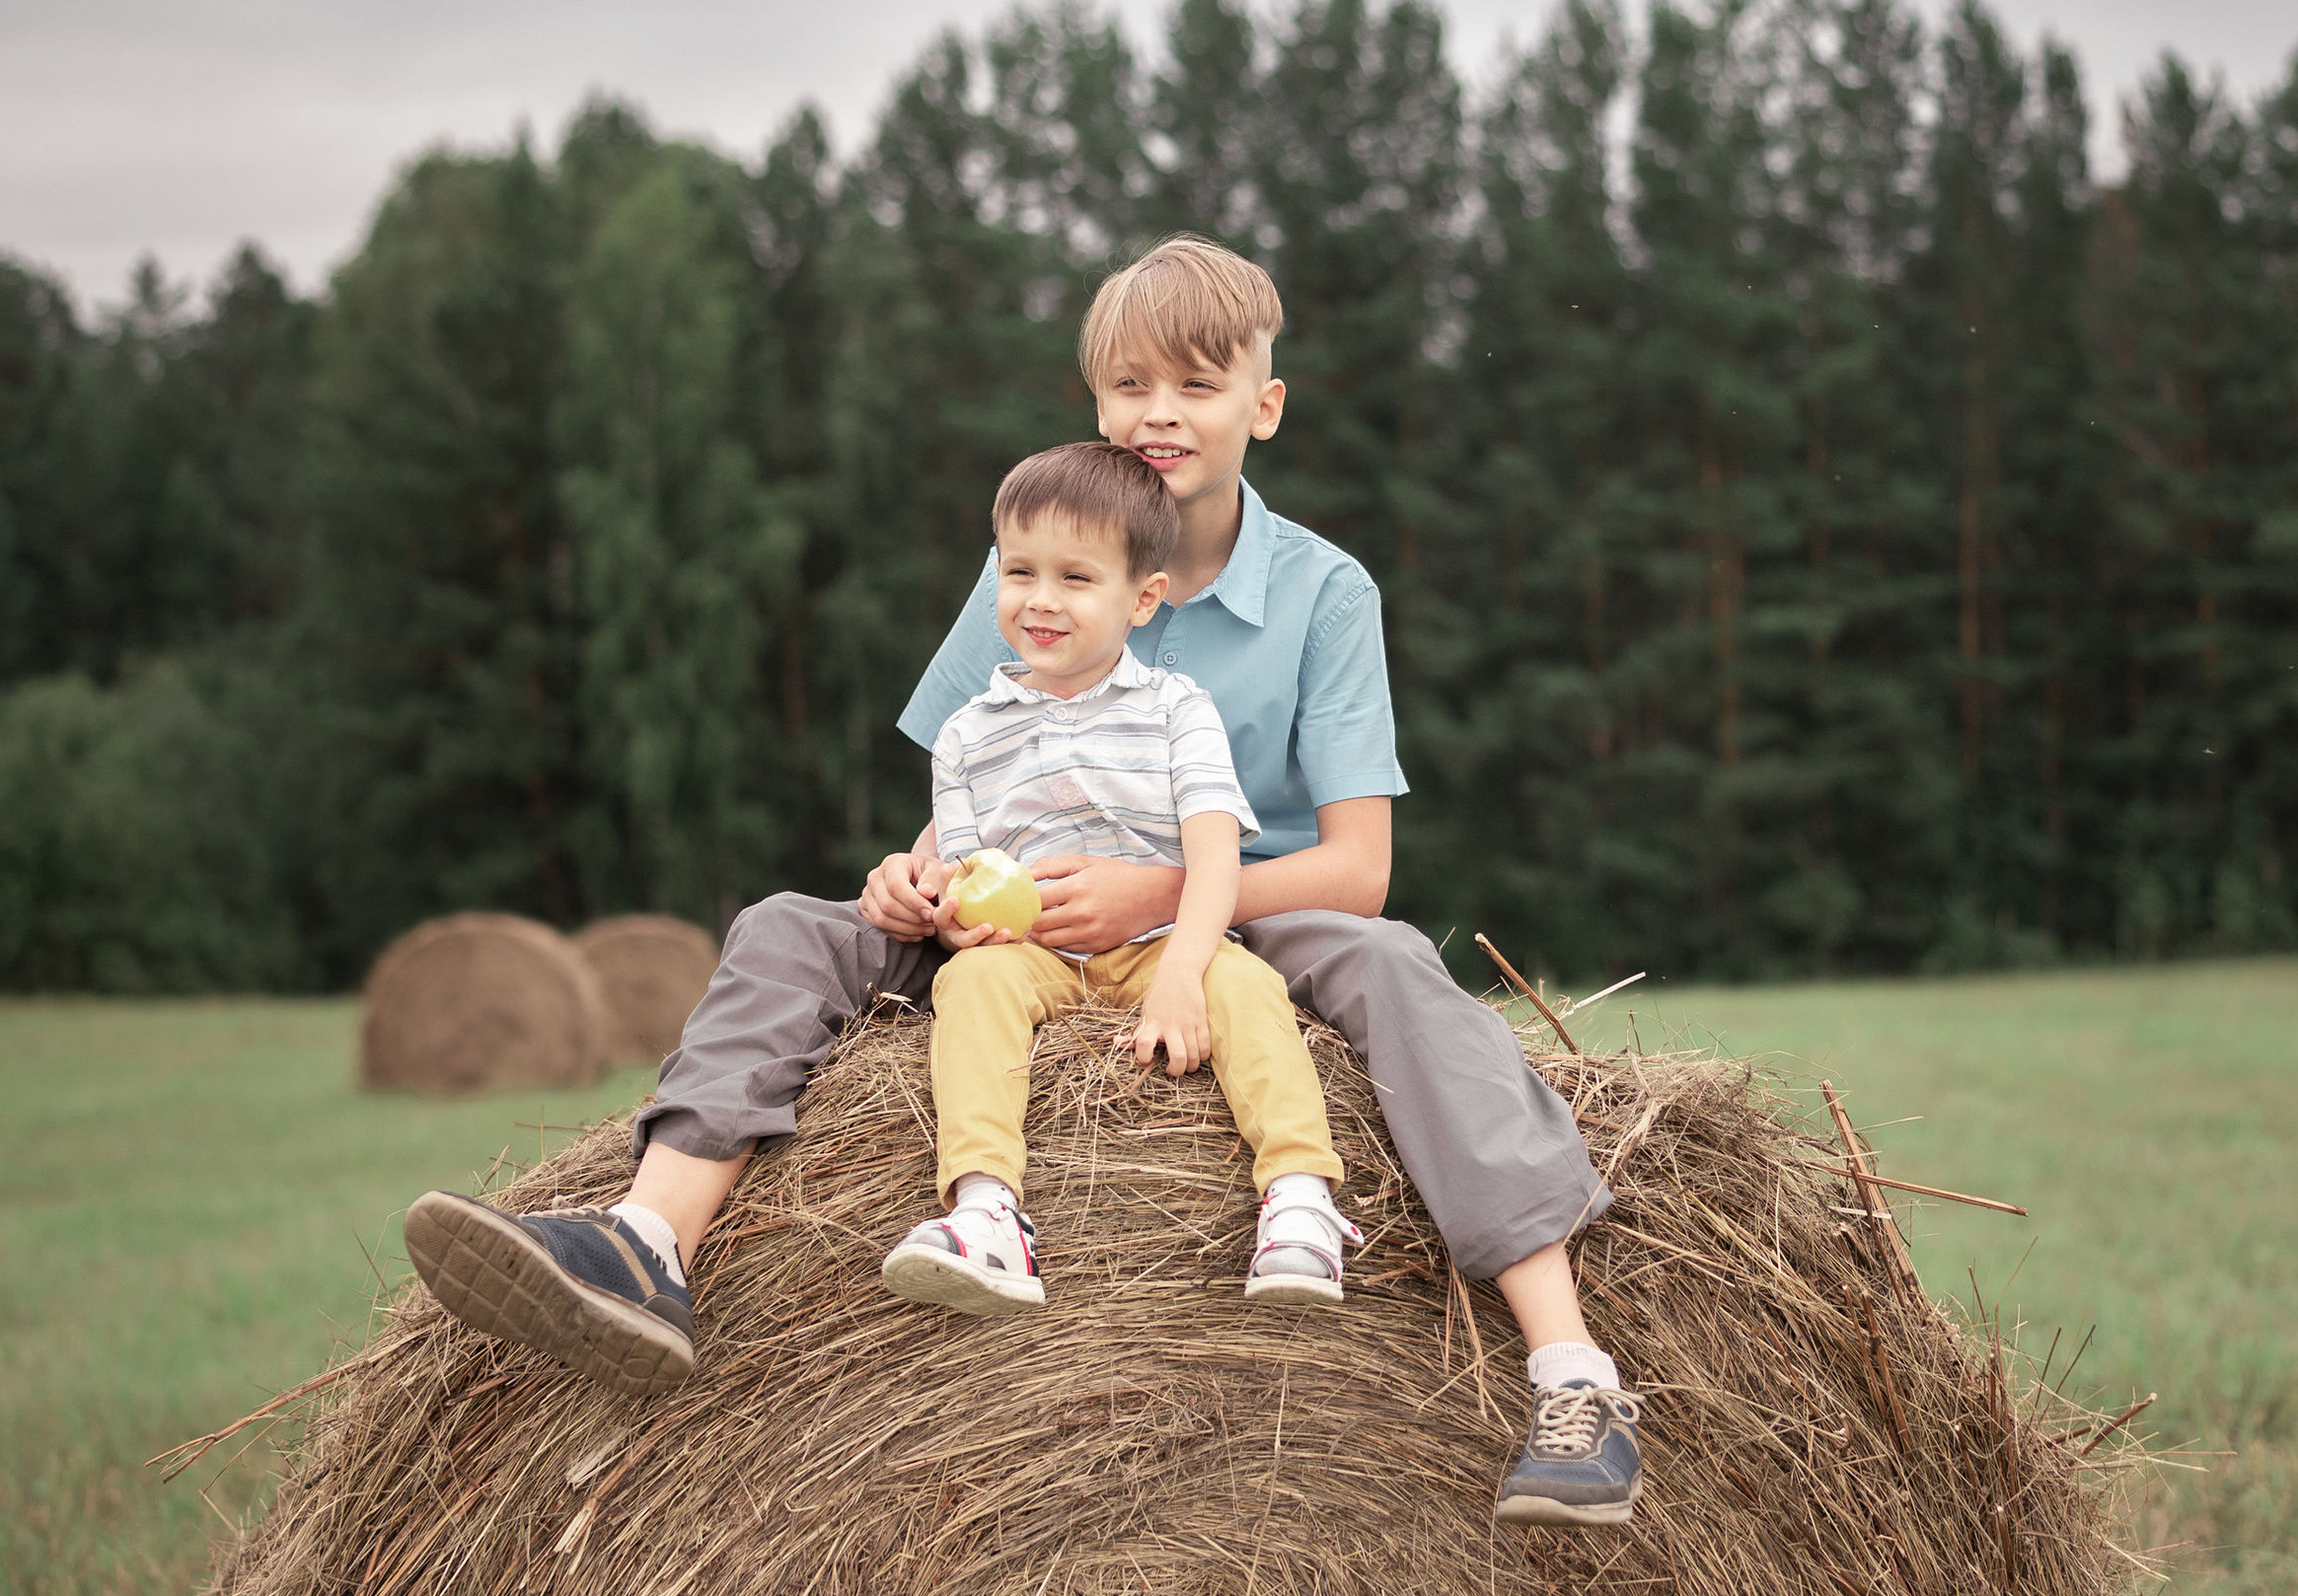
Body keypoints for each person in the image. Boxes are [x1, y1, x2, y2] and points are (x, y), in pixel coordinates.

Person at [403, 236, 1642, 1525]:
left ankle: (1572, 1371)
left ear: (1262, 407)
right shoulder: (1047, 554)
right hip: (1026, 910)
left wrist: (1156, 897)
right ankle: (649, 1244)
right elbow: (963, 795)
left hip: (1249, 912)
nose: (1158, 413)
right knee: (790, 927)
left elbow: (1359, 869)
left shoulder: (1325, 594)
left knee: (1392, 964)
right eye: (1129, 386)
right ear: (1096, 401)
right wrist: (916, 881)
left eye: (1198, 385)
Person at [879, 438, 1357, 1317]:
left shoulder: (1179, 711)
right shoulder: (967, 735)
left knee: (1244, 986)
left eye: (1075, 578)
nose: (1040, 601)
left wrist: (1181, 974)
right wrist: (954, 925)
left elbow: (1214, 858)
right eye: (1019, 573)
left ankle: (1300, 1197)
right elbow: (966, 870)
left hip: (1156, 942)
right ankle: (986, 1210)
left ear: (1143, 600)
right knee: (973, 983)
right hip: (1034, 950)